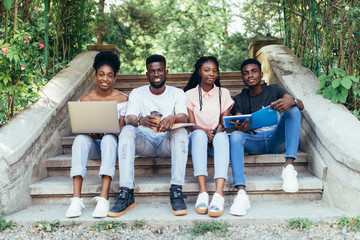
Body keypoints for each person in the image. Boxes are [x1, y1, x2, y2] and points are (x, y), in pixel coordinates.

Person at [108, 54, 189, 217]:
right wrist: (140, 120)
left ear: (166, 72)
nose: (156, 74)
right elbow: (130, 117)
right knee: (127, 130)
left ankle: (176, 190)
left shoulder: (177, 93)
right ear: (147, 74)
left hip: (166, 142)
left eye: (160, 70)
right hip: (145, 143)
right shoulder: (137, 93)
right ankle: (126, 192)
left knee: (181, 131)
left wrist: (172, 118)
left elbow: (184, 117)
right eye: (152, 71)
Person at [229, 58, 304, 216]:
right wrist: (240, 125)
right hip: (254, 141)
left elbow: (300, 104)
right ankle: (241, 193)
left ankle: (289, 167)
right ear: (242, 78)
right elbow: (238, 118)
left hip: (275, 138)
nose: (250, 75)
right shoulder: (238, 99)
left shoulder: (274, 90)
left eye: (254, 71)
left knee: (293, 110)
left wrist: (292, 101)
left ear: (261, 74)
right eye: (246, 73)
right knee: (235, 135)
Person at [65, 51, 128, 218]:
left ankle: (103, 198)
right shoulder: (85, 99)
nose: (105, 79)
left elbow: (123, 132)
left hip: (111, 143)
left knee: (108, 138)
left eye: (109, 75)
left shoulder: (123, 99)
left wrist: (108, 130)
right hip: (93, 143)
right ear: (95, 76)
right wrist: (89, 131)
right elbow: (79, 126)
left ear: (114, 78)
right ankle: (76, 199)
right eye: (101, 75)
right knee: (79, 140)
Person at [184, 56, 234, 217]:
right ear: (199, 72)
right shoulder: (189, 94)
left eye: (214, 70)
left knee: (222, 137)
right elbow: (191, 124)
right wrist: (205, 132)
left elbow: (224, 122)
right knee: (198, 134)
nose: (211, 73)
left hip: (215, 136)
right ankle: (203, 192)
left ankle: (219, 194)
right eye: (207, 70)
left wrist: (215, 133)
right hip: (197, 137)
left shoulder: (223, 93)